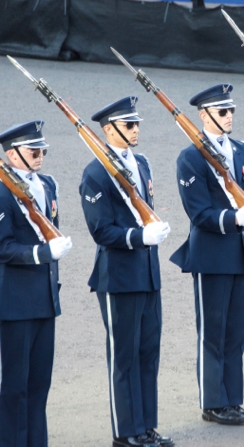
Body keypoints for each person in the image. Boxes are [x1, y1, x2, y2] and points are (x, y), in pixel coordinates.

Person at [79, 97, 173, 447]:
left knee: (148, 353)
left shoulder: (142, 164)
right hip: (118, 276)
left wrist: (154, 229)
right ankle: (125, 432)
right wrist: (139, 236)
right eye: (129, 125)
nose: (136, 130)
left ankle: (146, 426)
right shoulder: (95, 172)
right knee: (124, 357)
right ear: (108, 130)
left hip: (147, 273)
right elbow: (101, 230)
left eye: (137, 125)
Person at [170, 84, 244, 425]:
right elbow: (198, 212)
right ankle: (213, 403)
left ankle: (232, 399)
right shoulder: (191, 157)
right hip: (212, 254)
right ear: (204, 115)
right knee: (213, 332)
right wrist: (234, 218)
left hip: (241, 253)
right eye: (222, 112)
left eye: (231, 111)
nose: (229, 117)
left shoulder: (242, 150)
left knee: (236, 332)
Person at [0, 121, 72, 446]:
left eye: (42, 150)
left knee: (40, 383)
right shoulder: (2, 192)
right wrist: (41, 253)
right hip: (15, 302)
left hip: (45, 298)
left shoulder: (47, 185)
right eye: (34, 151)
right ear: (13, 155)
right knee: (16, 386)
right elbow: (3, 247)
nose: (40, 156)